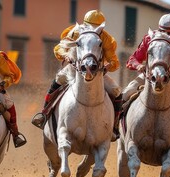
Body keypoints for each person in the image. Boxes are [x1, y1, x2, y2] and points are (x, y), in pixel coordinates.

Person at [31, 10, 123, 141]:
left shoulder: (106, 39)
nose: (91, 30)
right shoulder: (74, 32)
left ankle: (114, 126)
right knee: (57, 81)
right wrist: (66, 54)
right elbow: (59, 48)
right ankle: (44, 114)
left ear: (101, 28)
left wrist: (109, 65)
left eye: (95, 28)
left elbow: (114, 61)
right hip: (73, 70)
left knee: (117, 91)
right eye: (89, 26)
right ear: (84, 24)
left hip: (97, 73)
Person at [123, 13, 170, 148]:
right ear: (158, 29)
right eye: (163, 31)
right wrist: (139, 66)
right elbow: (132, 60)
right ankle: (115, 127)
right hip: (148, 76)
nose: (165, 35)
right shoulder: (148, 39)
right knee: (125, 94)